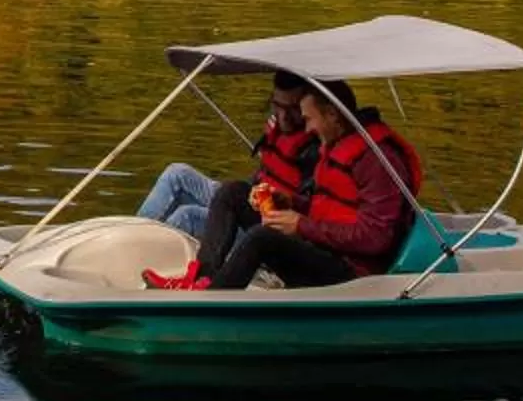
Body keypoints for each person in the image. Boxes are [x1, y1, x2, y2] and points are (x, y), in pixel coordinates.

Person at [150, 79, 421, 292]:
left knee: (261, 237)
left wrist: (301, 225)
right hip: (323, 247)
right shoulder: (337, 141)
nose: (307, 129)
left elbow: (376, 238)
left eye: (309, 119)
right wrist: (292, 203)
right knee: (232, 192)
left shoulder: (375, 159)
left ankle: (211, 303)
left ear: (332, 115)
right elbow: (329, 206)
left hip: (350, 272)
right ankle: (201, 278)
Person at [138, 71, 315, 240]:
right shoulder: (278, 129)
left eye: (293, 109)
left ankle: (141, 254)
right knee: (177, 173)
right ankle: (132, 236)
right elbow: (264, 173)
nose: (284, 117)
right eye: (278, 106)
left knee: (187, 215)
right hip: (250, 201)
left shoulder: (315, 147)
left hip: (264, 229)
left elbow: (309, 209)